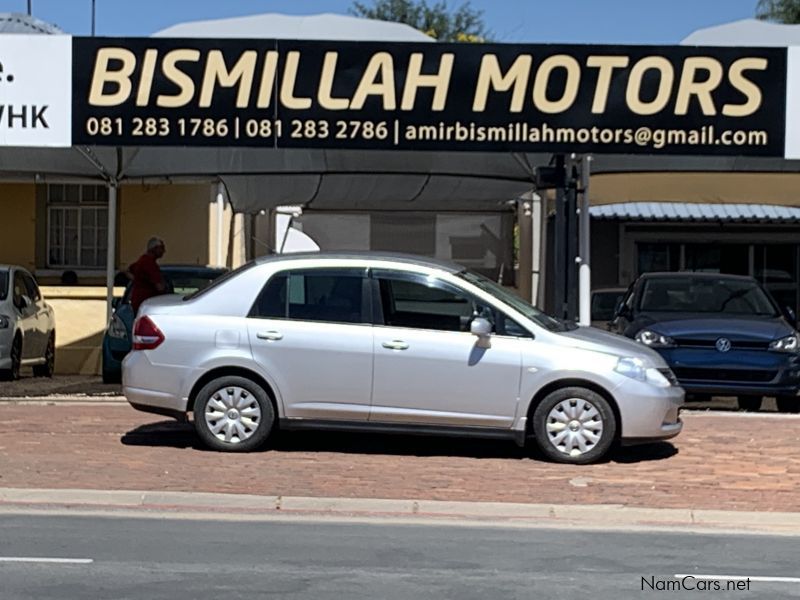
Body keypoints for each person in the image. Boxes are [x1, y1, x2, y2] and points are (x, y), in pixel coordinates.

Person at [128, 237, 166, 314]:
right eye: (161, 248)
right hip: (146, 303)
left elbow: (128, 270)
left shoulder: (142, 260)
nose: (163, 251)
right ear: (154, 249)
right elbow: (160, 287)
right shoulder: (149, 264)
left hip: (139, 302)